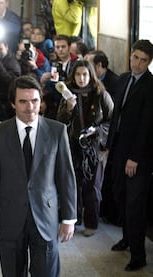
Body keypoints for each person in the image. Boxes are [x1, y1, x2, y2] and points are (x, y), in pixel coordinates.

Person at [0, 75, 77, 277]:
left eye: (34, 100)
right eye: (23, 101)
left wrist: (69, 217)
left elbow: (66, 176)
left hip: (45, 217)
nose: (30, 107)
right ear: (13, 104)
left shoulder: (57, 131)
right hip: (9, 217)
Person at [106, 39, 153, 272]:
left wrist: (134, 157)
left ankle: (138, 255)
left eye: (143, 61)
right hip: (119, 148)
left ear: (149, 62)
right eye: (135, 58)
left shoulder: (150, 86)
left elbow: (147, 126)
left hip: (138, 156)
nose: (137, 64)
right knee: (120, 196)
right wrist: (109, 145)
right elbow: (117, 116)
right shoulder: (123, 79)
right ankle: (126, 238)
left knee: (135, 205)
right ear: (130, 55)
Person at [57, 60, 114, 237]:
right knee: (73, 185)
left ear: (91, 76)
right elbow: (60, 121)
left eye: (85, 74)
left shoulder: (101, 94)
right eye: (78, 75)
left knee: (92, 188)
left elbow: (111, 121)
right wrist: (68, 108)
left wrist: (97, 130)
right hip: (74, 146)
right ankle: (74, 219)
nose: (81, 78)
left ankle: (92, 222)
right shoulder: (68, 95)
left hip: (95, 148)